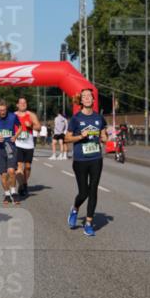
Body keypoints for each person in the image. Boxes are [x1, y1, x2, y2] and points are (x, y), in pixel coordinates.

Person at [64, 89, 107, 237]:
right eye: (84, 96)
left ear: (93, 100)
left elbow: (103, 135)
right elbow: (67, 138)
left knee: (93, 190)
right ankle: (75, 208)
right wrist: (80, 136)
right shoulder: (76, 119)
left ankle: (89, 223)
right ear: (81, 101)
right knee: (84, 192)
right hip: (80, 160)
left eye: (90, 96)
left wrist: (107, 138)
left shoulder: (99, 118)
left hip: (96, 158)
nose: (87, 98)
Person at [0, 100, 21, 206]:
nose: (3, 112)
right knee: (4, 174)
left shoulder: (12, 117)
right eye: (1, 110)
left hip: (10, 147)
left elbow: (20, 127)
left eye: (4, 110)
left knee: (11, 171)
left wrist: (15, 136)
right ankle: (7, 194)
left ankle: (14, 193)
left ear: (7, 109)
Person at [14, 97, 41, 197]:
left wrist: (31, 126)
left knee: (28, 167)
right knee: (19, 167)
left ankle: (25, 182)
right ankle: (21, 186)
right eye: (21, 103)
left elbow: (39, 127)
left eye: (24, 103)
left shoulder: (31, 115)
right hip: (17, 144)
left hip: (29, 145)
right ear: (17, 105)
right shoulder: (14, 115)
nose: (23, 104)